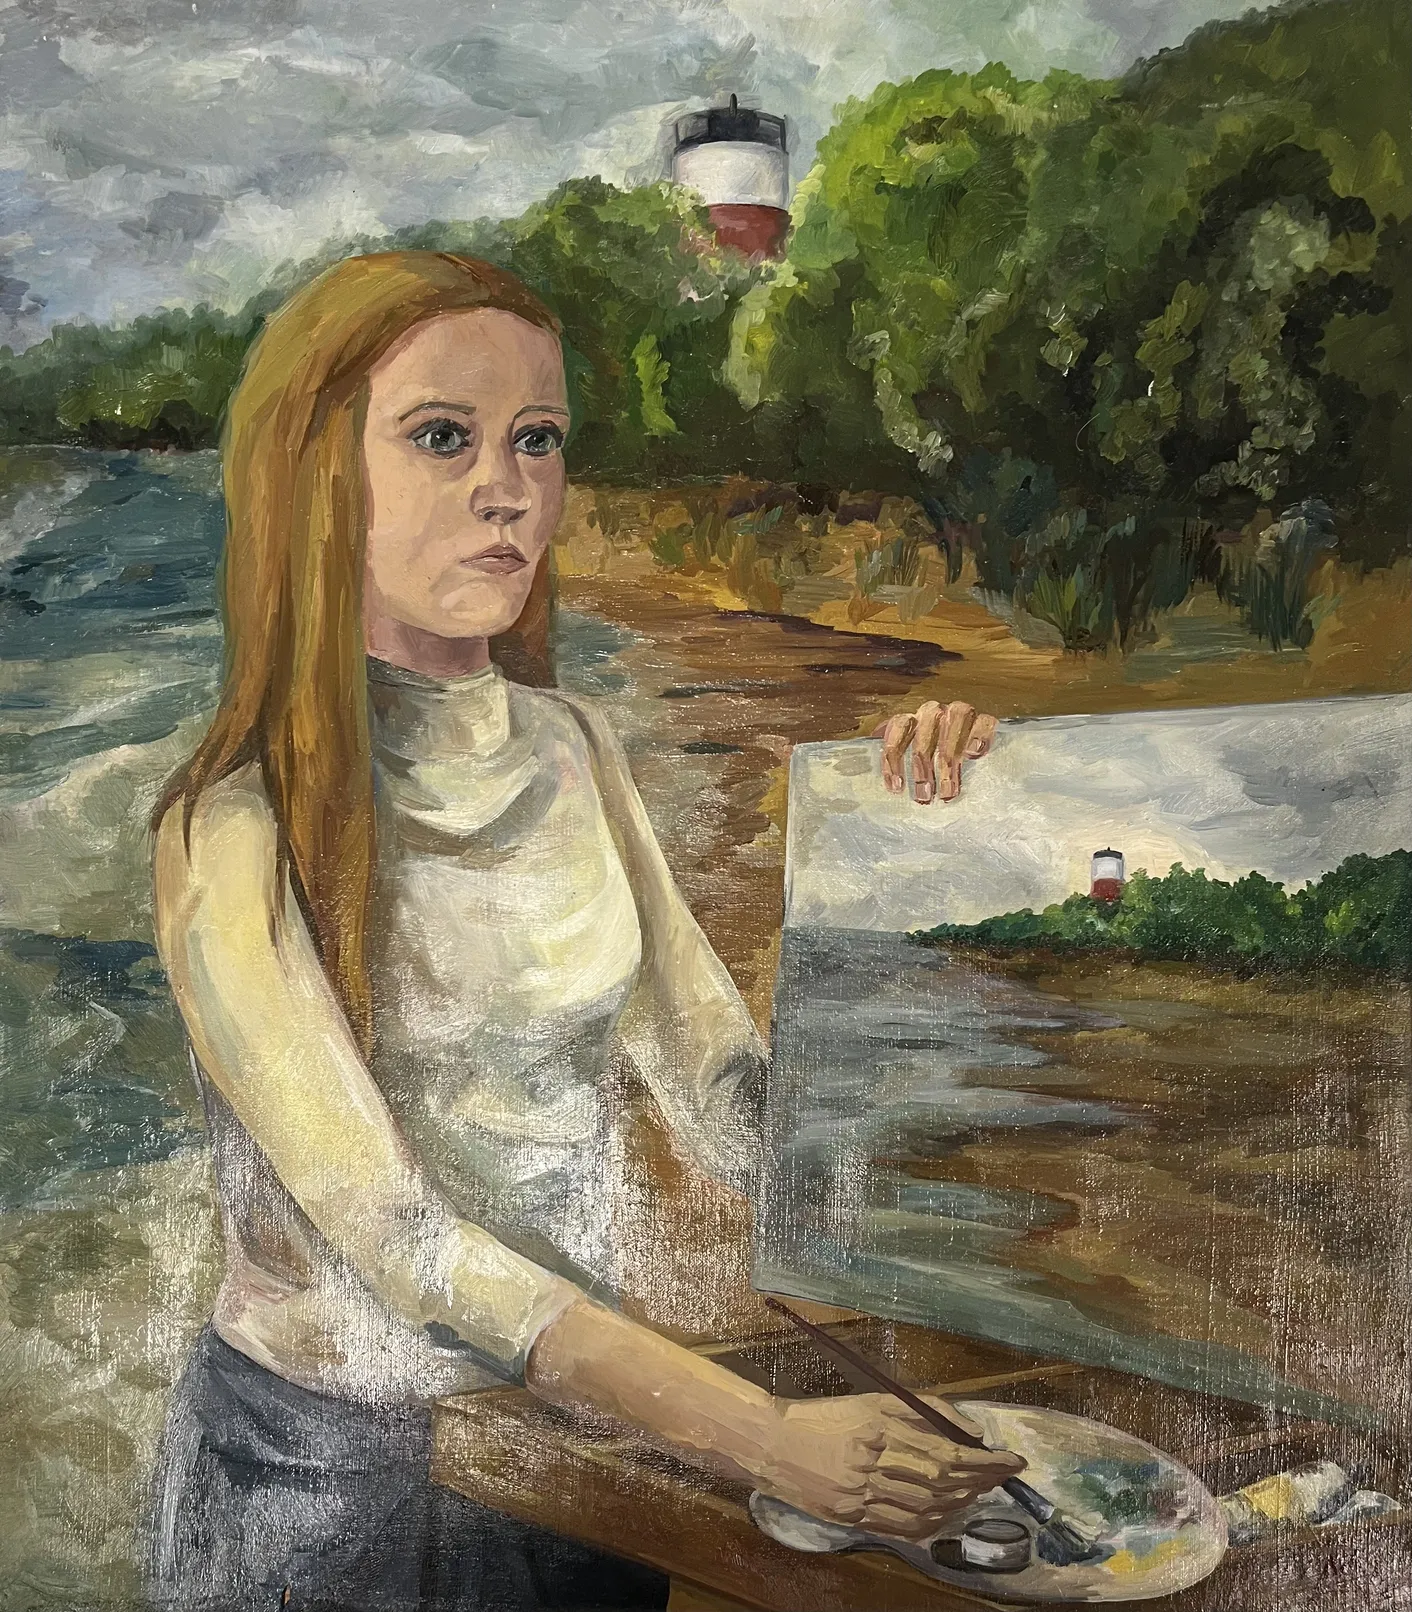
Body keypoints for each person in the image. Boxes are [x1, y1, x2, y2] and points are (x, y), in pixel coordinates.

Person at [142, 250, 1017, 1612]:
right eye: (444, 435)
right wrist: (762, 1437)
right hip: (325, 1489)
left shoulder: (575, 747)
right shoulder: (230, 830)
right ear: (318, 474)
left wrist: (927, 838)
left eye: (537, 439)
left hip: (578, 1442)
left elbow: (729, 1094)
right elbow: (409, 1250)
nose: (508, 488)